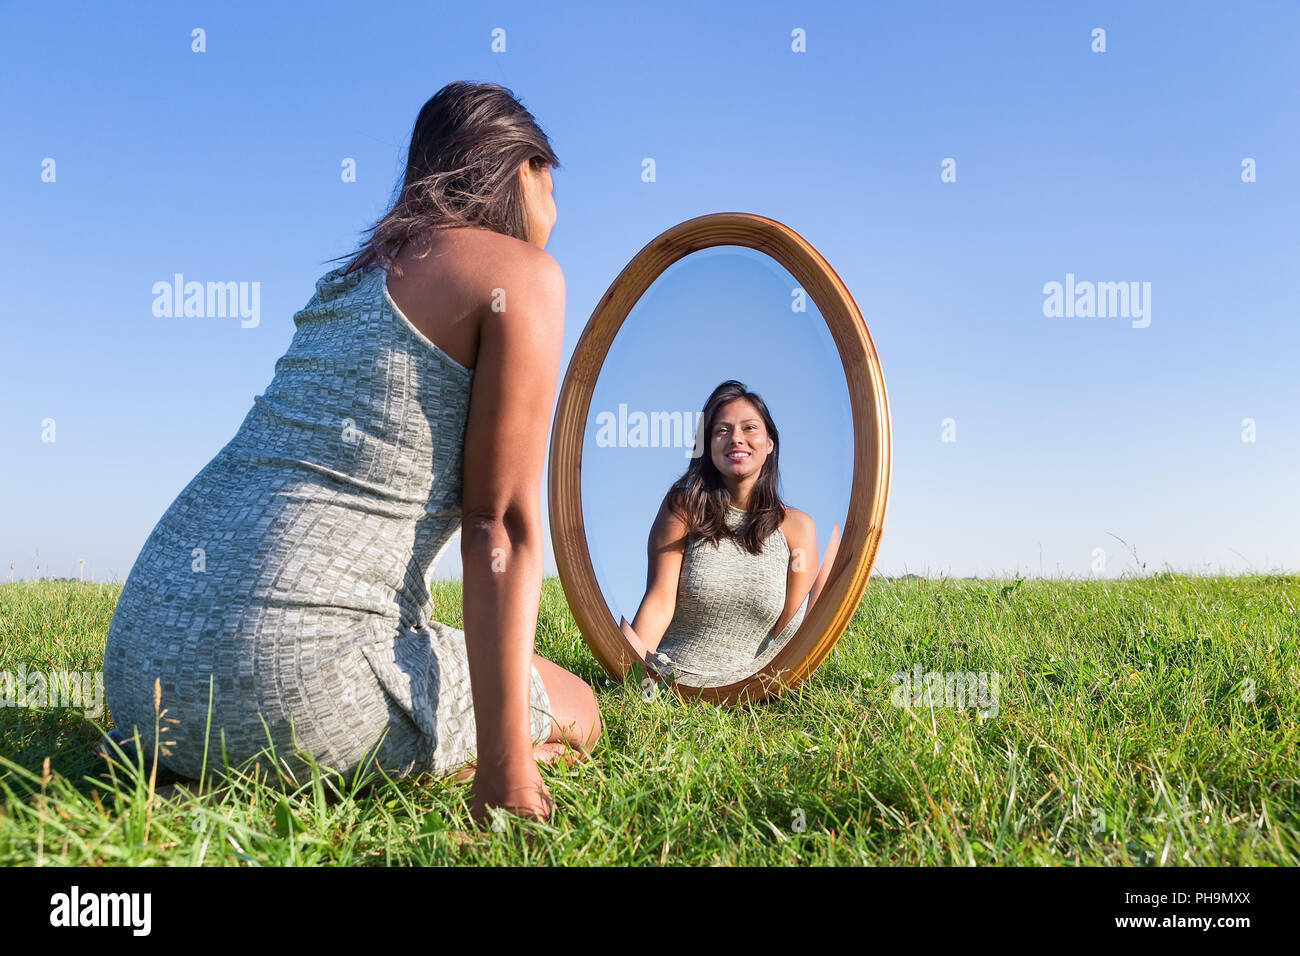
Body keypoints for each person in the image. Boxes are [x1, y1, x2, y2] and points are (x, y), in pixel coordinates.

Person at [101, 81, 599, 826]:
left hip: (142, 672)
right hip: (288, 675)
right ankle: (433, 762)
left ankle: (201, 760)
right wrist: (506, 768)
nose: (553, 217)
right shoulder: (520, 275)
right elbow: (501, 524)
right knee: (578, 706)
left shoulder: (356, 275)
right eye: (550, 184)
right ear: (524, 168)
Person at [620, 380, 835, 686]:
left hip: (748, 694)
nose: (736, 439)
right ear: (708, 446)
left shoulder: (798, 527)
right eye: (722, 430)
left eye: (749, 428)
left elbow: (791, 634)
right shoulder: (684, 507)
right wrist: (632, 681)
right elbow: (658, 602)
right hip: (671, 684)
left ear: (770, 443)